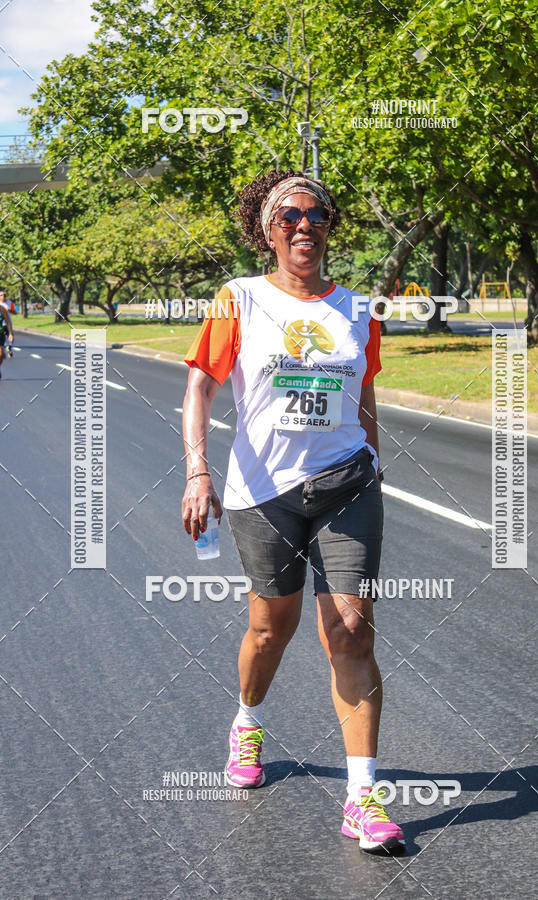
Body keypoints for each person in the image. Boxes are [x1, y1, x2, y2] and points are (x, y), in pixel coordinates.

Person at [181, 170, 404, 856]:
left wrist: (370, 455)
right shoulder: (238, 300)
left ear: (330, 225)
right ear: (265, 229)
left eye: (316, 215)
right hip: (261, 495)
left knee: (350, 630)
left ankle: (362, 796)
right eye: (288, 216)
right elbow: (199, 390)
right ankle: (248, 720)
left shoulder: (359, 310)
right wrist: (198, 472)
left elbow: (363, 397)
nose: (304, 225)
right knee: (269, 628)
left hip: (347, 484)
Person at [0, 291, 14, 379]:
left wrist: (10, 333)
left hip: (0, 332)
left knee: (1, 354)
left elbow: (8, 321)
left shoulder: (2, 308)